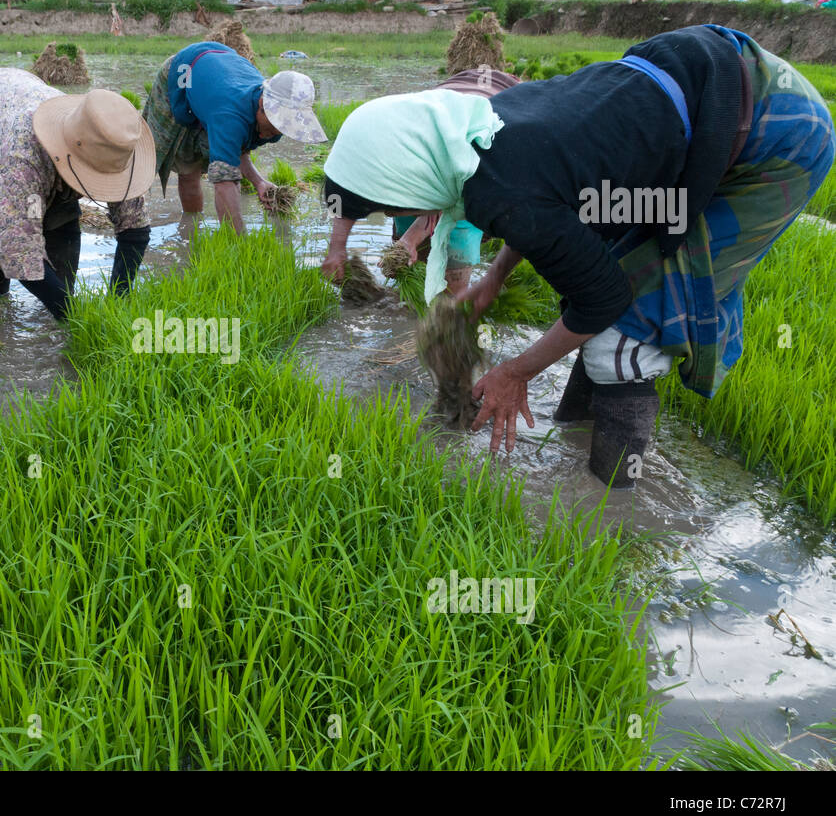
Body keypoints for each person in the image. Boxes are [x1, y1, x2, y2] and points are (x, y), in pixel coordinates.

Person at [319, 25, 834, 486]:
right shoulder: (474, 129)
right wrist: (495, 277)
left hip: (773, 136)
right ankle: (577, 431)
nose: (405, 211)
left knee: (630, 325)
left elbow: (602, 295)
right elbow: (549, 195)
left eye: (392, 200)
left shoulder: (499, 187)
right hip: (708, 86)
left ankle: (612, 507)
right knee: (597, 288)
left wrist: (517, 371)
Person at [0, 69, 154, 322]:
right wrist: (77, 318)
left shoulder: (115, 142)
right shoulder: (22, 154)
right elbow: (19, 253)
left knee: (60, 216)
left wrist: (118, 300)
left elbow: (135, 230)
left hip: (13, 103)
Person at [144, 41, 327, 232]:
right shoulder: (229, 116)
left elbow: (236, 148)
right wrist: (239, 243)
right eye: (277, 123)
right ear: (262, 104)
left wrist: (259, 182)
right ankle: (183, 228)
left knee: (217, 149)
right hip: (184, 71)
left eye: (285, 126)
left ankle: (191, 229)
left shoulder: (258, 118)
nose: (276, 132)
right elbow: (224, 183)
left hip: (216, 78)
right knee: (177, 163)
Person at [380, 67, 521, 296]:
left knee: (452, 287)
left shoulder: (494, 130)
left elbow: (460, 191)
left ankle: (448, 313)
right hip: (429, 147)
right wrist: (405, 243)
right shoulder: (413, 131)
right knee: (411, 275)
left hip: (472, 166)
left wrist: (412, 237)